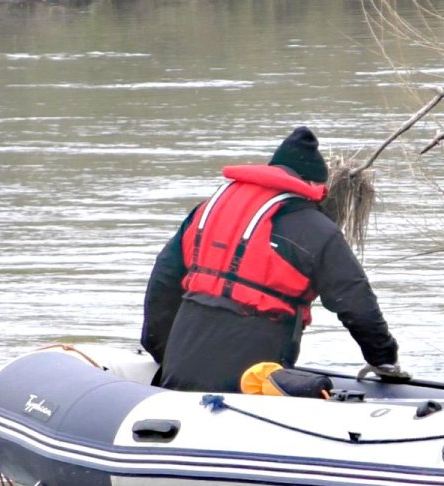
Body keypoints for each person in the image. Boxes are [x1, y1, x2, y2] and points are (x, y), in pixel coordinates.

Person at [141, 126, 406, 393]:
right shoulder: (316, 229)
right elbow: (355, 302)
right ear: (314, 185)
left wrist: (162, 351)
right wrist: (384, 360)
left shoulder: (205, 213)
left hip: (181, 365)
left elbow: (162, 285)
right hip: (253, 378)